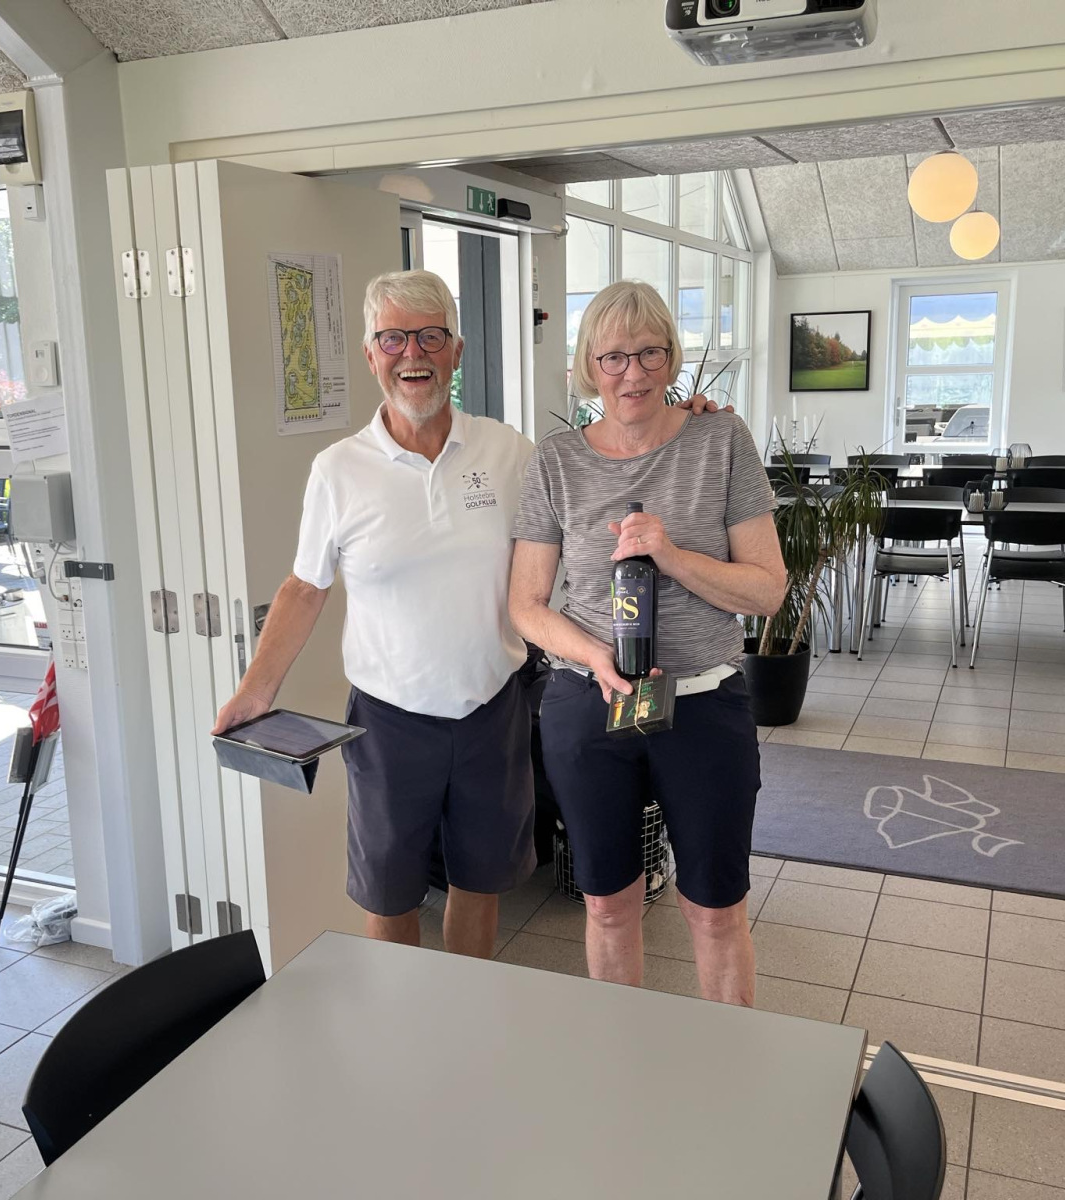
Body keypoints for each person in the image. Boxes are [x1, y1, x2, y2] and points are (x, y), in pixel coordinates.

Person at [211, 270, 726, 958]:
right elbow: (305, 588)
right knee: (389, 896)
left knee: (481, 885)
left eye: (431, 336)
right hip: (388, 721)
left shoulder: (507, 451)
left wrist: (678, 423)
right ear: (370, 354)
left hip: (493, 711)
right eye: (393, 338)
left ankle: (467, 1010)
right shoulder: (339, 469)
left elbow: (599, 474)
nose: (412, 354)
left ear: (456, 351)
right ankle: (401, 1011)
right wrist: (255, 691)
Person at [508, 280, 786, 1006]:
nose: (632, 373)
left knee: (715, 910)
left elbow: (767, 590)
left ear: (671, 357)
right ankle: (620, 1055)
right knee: (606, 904)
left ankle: (727, 1055)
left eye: (649, 353)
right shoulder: (557, 461)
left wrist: (672, 555)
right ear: (588, 365)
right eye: (613, 357)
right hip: (588, 704)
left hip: (703, 705)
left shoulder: (719, 441)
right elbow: (526, 604)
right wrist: (593, 656)